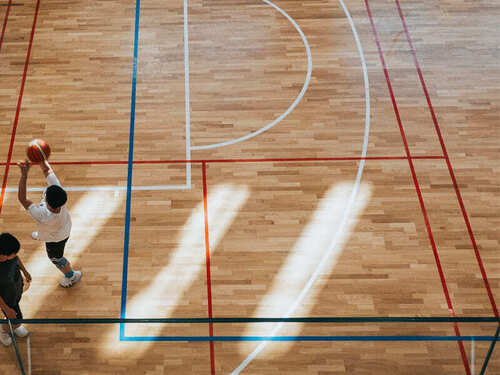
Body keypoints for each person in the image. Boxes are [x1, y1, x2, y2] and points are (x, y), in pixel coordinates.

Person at [17, 159, 82, 288]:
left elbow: (22, 199)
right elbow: (47, 170)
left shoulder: (43, 215)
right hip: (63, 228)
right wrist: (41, 159)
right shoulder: (60, 194)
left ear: (46, 201)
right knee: (44, 234)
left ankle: (71, 276)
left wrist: (24, 174)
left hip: (56, 239)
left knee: (56, 258)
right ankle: (41, 235)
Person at [0, 233, 31, 347]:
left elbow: (17, 260)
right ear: (3, 255)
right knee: (15, 317)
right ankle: (3, 331)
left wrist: (25, 271)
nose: (15, 255)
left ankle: (15, 325)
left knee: (15, 316)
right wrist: (7, 309)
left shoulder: (10, 256)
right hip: (7, 298)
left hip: (15, 288)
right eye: (13, 254)